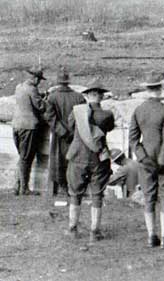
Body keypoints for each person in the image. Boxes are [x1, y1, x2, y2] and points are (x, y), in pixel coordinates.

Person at [129, 74, 164, 249]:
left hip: (146, 160)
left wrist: (143, 158)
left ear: (147, 90)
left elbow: (133, 139)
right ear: (159, 90)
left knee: (149, 197)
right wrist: (162, 160)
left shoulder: (138, 110)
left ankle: (151, 236)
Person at [65, 80, 115, 243]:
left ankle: (73, 228)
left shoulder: (76, 112)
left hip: (77, 156)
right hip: (98, 158)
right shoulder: (107, 115)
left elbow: (71, 128)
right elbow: (108, 129)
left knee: (75, 192)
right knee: (97, 194)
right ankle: (95, 231)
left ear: (87, 96)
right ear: (101, 96)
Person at [45, 68, 86, 196]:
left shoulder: (52, 97)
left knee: (59, 161)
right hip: (75, 135)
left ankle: (62, 187)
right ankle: (73, 186)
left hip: (59, 136)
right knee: (74, 160)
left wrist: (62, 131)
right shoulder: (79, 97)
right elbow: (83, 116)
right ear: (68, 82)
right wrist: (72, 131)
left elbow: (50, 117)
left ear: (58, 82)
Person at [11, 67, 46, 195]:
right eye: (39, 80)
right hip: (29, 126)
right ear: (36, 78)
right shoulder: (33, 89)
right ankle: (24, 188)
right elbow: (40, 106)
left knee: (21, 156)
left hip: (16, 124)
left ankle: (17, 186)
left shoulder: (19, 87)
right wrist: (45, 100)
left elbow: (27, 101)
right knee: (27, 158)